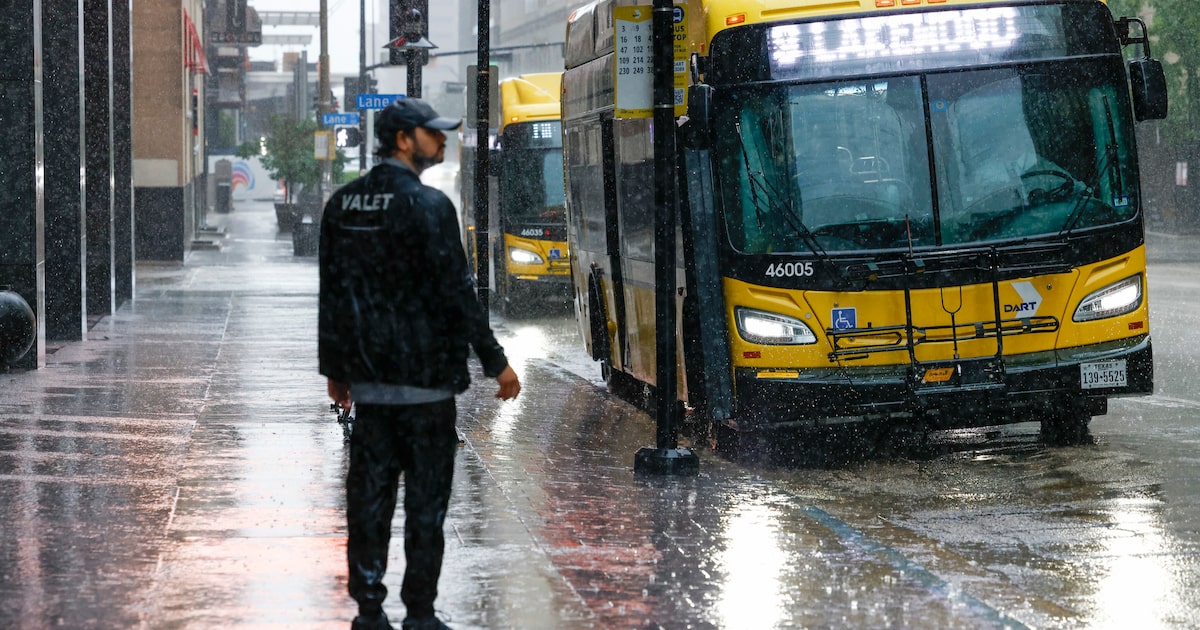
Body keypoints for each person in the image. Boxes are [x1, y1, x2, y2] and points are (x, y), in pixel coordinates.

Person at [318, 98, 521, 630]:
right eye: (433, 133)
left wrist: (338, 372)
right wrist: (496, 363)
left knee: (370, 506)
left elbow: (334, 298)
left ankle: (368, 610)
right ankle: (420, 615)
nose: (443, 140)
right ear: (405, 140)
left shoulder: (344, 205)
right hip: (427, 388)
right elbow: (459, 293)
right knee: (426, 511)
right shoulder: (430, 208)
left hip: (374, 391)